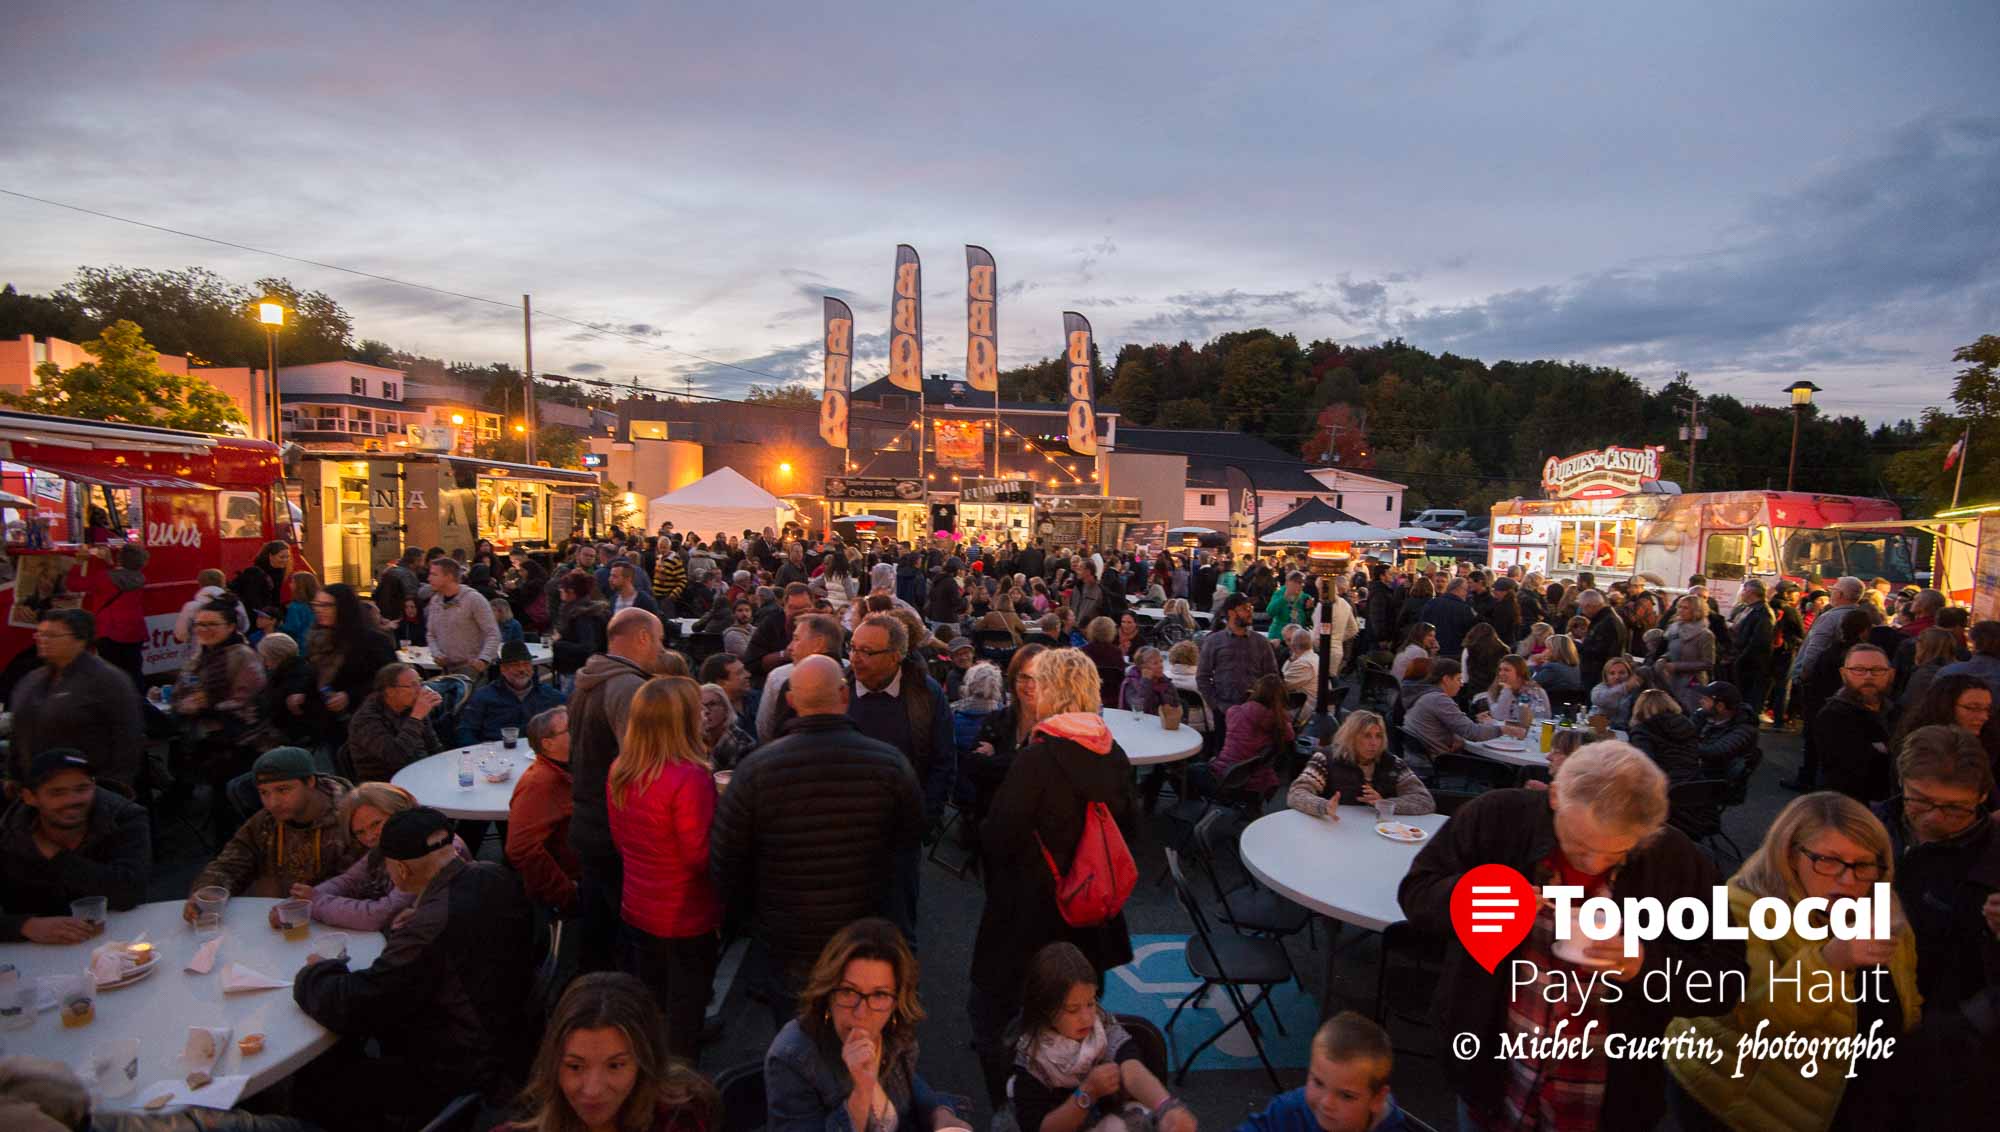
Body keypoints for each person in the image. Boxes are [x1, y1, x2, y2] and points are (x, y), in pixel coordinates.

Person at [1400, 742, 1745, 1132]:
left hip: (1605, 1098)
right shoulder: (1497, 818)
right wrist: (1478, 899)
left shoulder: (1675, 860)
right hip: (1493, 1077)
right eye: (1579, 847)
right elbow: (1416, 893)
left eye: (1616, 853)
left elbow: (1725, 981)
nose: (1594, 863)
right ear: (1554, 795)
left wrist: (1643, 966)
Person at [1665, 791, 1919, 1132]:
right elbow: (1756, 1022)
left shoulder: (1884, 912)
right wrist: (1830, 962)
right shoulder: (1739, 909)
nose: (1848, 880)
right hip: (1741, 1107)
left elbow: (1907, 998)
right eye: (1828, 860)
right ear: (1789, 854)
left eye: (1863, 864)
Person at [711, 654, 926, 1025]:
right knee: (861, 1035)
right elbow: (910, 843)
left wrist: (756, 917)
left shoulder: (756, 770)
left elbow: (727, 860)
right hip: (864, 932)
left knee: (796, 1036)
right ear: (844, 696)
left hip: (788, 936)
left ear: (792, 702)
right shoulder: (889, 765)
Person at [294, 806, 537, 1127]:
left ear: (401, 871)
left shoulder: (426, 929)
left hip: (461, 1065)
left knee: (318, 1080)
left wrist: (316, 972)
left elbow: (357, 1004)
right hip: (515, 1034)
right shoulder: (493, 874)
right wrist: (424, 911)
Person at [969, 648, 1137, 1105]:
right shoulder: (1113, 752)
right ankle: (1071, 1103)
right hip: (1091, 920)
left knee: (993, 1018)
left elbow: (998, 836)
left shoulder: (1037, 760)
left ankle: (1015, 1108)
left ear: (1052, 690)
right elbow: (1131, 830)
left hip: (1028, 918)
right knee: (1077, 1024)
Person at [765, 918, 971, 1132]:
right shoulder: (792, 1056)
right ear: (827, 993)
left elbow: (908, 1082)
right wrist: (861, 1093)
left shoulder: (894, 1032)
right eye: (848, 991)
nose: (861, 1013)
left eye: (879, 994)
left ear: (896, 1002)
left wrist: (940, 1112)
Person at [609, 676, 722, 1062]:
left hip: (637, 903)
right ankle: (679, 1083)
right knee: (688, 997)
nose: (705, 716)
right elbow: (699, 857)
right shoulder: (690, 778)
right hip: (685, 911)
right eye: (699, 710)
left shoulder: (621, 769)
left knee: (653, 993)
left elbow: (621, 840)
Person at [571, 608, 673, 974]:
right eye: (659, 640)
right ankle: (634, 1010)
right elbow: (640, 763)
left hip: (586, 815)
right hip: (614, 826)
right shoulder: (628, 687)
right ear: (643, 637)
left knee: (597, 925)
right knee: (631, 928)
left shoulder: (587, 679)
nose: (661, 650)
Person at [1006, 941, 1193, 1132]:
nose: (1087, 1018)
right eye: (1072, 1010)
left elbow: (1131, 1067)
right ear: (1045, 1009)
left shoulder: (1101, 1025)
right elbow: (1039, 1128)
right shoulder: (1030, 1060)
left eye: (1090, 1002)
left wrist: (1166, 1107)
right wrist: (1087, 1093)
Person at [1875, 725, 1999, 1012]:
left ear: (1982, 797)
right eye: (1920, 800)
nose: (1933, 818)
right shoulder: (1866, 830)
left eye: (1955, 808)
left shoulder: (1991, 861)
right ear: (1901, 782)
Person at [507, 971, 719, 1132]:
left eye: (615, 1065)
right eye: (575, 1066)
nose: (593, 1090)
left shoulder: (683, 1119)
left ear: (645, 1062)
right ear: (553, 1063)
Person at [184, 747, 358, 915]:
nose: (272, 802)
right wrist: (208, 891)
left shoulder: (351, 819)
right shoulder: (266, 821)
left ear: (310, 781)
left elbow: (358, 885)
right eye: (264, 793)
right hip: (279, 919)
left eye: (283, 790)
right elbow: (230, 863)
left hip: (336, 918)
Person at [0, 750, 149, 943]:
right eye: (57, 792)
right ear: (30, 797)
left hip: (119, 939)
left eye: (82, 788)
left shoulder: (123, 818)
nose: (72, 800)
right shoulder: (8, 835)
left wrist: (56, 856)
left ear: (93, 786)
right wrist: (24, 925)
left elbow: (131, 892)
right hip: (35, 952)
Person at [8, 608, 145, 791]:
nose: (43, 640)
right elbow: (19, 731)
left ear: (79, 641)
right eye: (40, 634)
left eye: (52, 635)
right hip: (37, 788)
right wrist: (14, 776)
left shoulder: (108, 681)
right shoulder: (32, 680)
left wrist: (114, 788)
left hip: (84, 791)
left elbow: (127, 739)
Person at [307, 781, 469, 931]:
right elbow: (350, 880)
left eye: (376, 824)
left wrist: (316, 903)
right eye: (360, 832)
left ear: (400, 812)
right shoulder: (388, 845)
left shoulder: (434, 849)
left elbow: (382, 914)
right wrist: (305, 898)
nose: (370, 837)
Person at [848, 613, 956, 821]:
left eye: (866, 651)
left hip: (904, 821)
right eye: (852, 647)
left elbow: (944, 758)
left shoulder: (926, 693)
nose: (854, 658)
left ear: (895, 656)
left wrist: (928, 815)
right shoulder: (839, 688)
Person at [1235, 1012, 1413, 1132]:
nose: (1327, 1103)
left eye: (1346, 1096)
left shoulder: (1393, 1127)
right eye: (1318, 1083)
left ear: (1377, 1099)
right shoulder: (1287, 1111)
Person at [292, 582, 400, 745]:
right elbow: (314, 673)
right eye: (316, 605)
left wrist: (350, 695)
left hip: (365, 721)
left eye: (326, 605)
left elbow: (389, 679)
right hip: (327, 721)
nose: (320, 610)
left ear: (343, 607)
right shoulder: (317, 638)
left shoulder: (372, 641)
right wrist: (301, 692)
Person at [1287, 711, 1435, 819]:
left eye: (1378, 736)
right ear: (1350, 737)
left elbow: (1425, 801)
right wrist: (1323, 806)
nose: (1374, 743)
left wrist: (1384, 803)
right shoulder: (1327, 759)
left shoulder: (1393, 763)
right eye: (1366, 735)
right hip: (1336, 829)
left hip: (1380, 833)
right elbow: (1296, 793)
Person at [1818, 643, 1900, 803]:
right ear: (1844, 673)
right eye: (1859, 669)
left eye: (1877, 670)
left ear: (1891, 674)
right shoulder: (1834, 715)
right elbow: (1856, 772)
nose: (1868, 676)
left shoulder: (1897, 712)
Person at [1197, 593, 1279, 746]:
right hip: (1225, 711)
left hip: (1255, 713)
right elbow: (1202, 676)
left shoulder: (1261, 642)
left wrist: (1264, 704)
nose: (1250, 612)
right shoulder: (1214, 641)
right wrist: (1216, 705)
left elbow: (1272, 676)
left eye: (1251, 608)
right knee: (1224, 755)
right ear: (1231, 613)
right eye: (1245, 608)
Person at [1196, 672, 1294, 798]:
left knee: (1186, 771)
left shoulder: (1236, 713)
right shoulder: (1279, 722)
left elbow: (1233, 717)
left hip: (1225, 774)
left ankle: (1193, 807)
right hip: (1255, 777)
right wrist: (1282, 713)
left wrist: (1246, 699)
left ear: (1256, 691)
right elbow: (1290, 736)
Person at [346, 663, 444, 784]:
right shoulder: (366, 719)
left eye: (420, 682)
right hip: (386, 786)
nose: (420, 690)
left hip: (422, 774)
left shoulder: (411, 706)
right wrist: (416, 716)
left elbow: (433, 746)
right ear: (390, 691)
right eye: (413, 685)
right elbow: (396, 757)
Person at [1403, 659, 1523, 757]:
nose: (1461, 684)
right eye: (1458, 679)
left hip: (1418, 759)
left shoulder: (1424, 695)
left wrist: (1466, 728)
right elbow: (1472, 733)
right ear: (1445, 679)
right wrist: (1504, 730)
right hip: (1437, 764)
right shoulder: (1438, 699)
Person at [459, 641, 566, 745]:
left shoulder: (550, 695)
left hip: (538, 754)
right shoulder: (484, 696)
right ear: (503, 669)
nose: (522, 669)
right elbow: (466, 731)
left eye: (526, 664)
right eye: (515, 665)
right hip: (495, 754)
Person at [1658, 593, 1717, 715]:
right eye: (1679, 607)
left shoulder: (1705, 635)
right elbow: (1673, 650)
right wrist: (1664, 658)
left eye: (1685, 608)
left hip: (1692, 684)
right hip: (1672, 680)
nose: (1680, 611)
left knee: (1690, 715)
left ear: (1696, 611)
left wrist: (1677, 666)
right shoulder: (1675, 629)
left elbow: (1708, 663)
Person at [1691, 680, 1760, 784]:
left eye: (1705, 699)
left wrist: (1684, 745)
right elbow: (1684, 732)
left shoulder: (1745, 729)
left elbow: (1715, 751)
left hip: (1717, 782)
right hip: (1698, 771)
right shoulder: (1703, 715)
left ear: (1720, 706)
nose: (1700, 701)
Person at [1627, 688, 1701, 783]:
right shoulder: (1687, 723)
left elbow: (1645, 765)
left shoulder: (1643, 730)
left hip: (1663, 787)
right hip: (1696, 783)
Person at [1576, 588, 1629, 689]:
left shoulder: (1607, 622)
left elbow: (1602, 651)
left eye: (1582, 608)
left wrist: (1578, 646)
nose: (1582, 612)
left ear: (1589, 606)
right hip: (1599, 672)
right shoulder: (1605, 619)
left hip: (1599, 674)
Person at [230, 539, 292, 620]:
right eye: (282, 557)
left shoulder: (278, 572)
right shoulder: (255, 573)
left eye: (287, 557)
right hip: (256, 618)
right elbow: (253, 601)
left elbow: (275, 599)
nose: (285, 560)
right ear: (270, 556)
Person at [1420, 577, 1478, 659]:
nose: (1467, 593)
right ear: (1458, 589)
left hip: (1432, 651)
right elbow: (1470, 632)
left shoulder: (1432, 603)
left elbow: (1421, 626)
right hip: (1455, 653)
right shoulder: (1464, 609)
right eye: (1466, 590)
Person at [1483, 654, 1549, 724]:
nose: (1501, 673)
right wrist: (1506, 692)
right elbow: (1499, 716)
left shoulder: (1536, 692)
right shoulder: (1494, 691)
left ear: (1520, 673)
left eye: (1506, 670)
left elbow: (1543, 717)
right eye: (1500, 670)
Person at [1588, 654, 1645, 731]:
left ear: (1629, 674)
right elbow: (1597, 699)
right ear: (1606, 677)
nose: (1617, 677)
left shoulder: (1635, 692)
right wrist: (1625, 687)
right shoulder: (1600, 688)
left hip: (1625, 733)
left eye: (1622, 673)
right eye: (1612, 673)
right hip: (1601, 730)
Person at [1120, 646, 1177, 717]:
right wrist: (1146, 681)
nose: (1161, 666)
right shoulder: (1131, 682)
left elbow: (1176, 707)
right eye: (1155, 663)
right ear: (1142, 667)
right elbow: (1139, 708)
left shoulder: (1165, 682)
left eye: (1161, 661)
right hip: (1138, 723)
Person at [1266, 571, 1312, 640]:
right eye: (1298, 582)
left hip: (1297, 638)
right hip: (1279, 636)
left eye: (1303, 583)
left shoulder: (1305, 598)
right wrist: (1284, 598)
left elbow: (1310, 621)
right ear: (1287, 583)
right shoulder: (1279, 594)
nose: (1301, 585)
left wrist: (1309, 609)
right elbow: (1270, 612)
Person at [279, 571, 319, 646]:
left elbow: (291, 629)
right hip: (318, 643)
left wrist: (279, 626)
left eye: (293, 582)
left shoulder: (295, 606)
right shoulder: (318, 604)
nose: (290, 584)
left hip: (302, 645)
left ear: (300, 585)